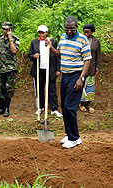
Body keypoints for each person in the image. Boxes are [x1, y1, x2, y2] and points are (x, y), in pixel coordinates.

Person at [48, 16, 92, 148]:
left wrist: (81, 78)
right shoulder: (63, 37)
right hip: (65, 76)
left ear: (76, 27)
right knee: (64, 107)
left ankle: (75, 138)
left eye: (72, 29)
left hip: (76, 76)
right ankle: (69, 133)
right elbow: (61, 54)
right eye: (67, 29)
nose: (69, 32)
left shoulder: (83, 39)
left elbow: (87, 60)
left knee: (70, 107)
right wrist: (51, 47)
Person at [28, 25, 62, 117]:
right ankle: (40, 107)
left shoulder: (53, 41)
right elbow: (30, 54)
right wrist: (34, 56)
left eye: (43, 32)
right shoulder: (34, 42)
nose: (41, 34)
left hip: (50, 69)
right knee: (39, 89)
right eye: (39, 32)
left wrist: (58, 69)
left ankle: (54, 109)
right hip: (38, 69)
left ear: (46, 32)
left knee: (52, 89)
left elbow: (57, 56)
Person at [79, 24, 101, 114]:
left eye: (88, 32)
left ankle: (88, 104)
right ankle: (81, 104)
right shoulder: (80, 41)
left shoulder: (96, 42)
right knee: (81, 86)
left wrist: (97, 66)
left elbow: (98, 55)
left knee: (90, 87)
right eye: (84, 32)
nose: (86, 33)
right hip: (81, 67)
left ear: (92, 32)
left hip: (91, 68)